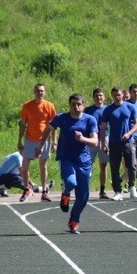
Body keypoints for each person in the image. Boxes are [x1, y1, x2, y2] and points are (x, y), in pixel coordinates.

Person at [37, 93, 98, 234]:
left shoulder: (90, 120)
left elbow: (95, 141)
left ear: (83, 105)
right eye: (73, 104)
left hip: (84, 161)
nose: (76, 107)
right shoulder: (62, 118)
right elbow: (48, 128)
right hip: (66, 158)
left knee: (83, 196)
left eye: (79, 104)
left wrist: (83, 139)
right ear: (69, 105)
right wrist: (41, 146)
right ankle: (65, 194)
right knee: (71, 183)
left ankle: (74, 221)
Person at [17, 83, 57, 202]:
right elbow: (23, 124)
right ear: (34, 92)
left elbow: (54, 126)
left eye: (42, 91)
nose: (40, 93)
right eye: (38, 91)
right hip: (30, 139)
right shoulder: (27, 106)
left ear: (44, 92)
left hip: (44, 140)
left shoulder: (49, 106)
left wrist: (55, 142)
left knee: (43, 166)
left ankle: (44, 191)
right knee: (24, 167)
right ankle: (26, 189)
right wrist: (19, 141)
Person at [100, 87, 137, 201]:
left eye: (119, 94)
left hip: (129, 141)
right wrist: (104, 143)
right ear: (112, 96)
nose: (117, 97)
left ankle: (132, 187)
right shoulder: (108, 110)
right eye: (114, 95)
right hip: (114, 142)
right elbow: (103, 127)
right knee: (114, 166)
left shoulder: (130, 107)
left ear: (122, 95)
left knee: (132, 165)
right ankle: (117, 191)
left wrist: (129, 133)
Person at [84, 88, 110, 199]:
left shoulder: (108, 110)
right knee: (87, 165)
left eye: (101, 96)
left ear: (104, 97)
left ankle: (102, 190)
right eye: (96, 96)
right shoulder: (88, 110)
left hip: (104, 139)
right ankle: (85, 189)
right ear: (93, 97)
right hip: (91, 140)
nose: (99, 98)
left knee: (103, 165)